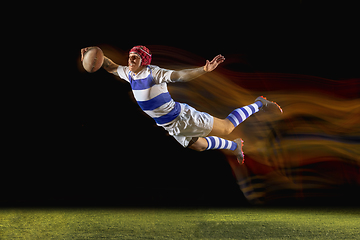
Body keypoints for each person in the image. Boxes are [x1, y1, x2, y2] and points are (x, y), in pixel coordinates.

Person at [80, 45, 282, 163]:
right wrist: (94, 53)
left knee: (227, 127)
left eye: (135, 57)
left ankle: (259, 104)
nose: (130, 60)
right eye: (130, 57)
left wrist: (203, 69)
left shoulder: (153, 73)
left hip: (182, 118)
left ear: (143, 61)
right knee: (200, 146)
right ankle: (235, 146)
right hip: (170, 126)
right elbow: (110, 66)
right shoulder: (128, 73)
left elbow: (179, 76)